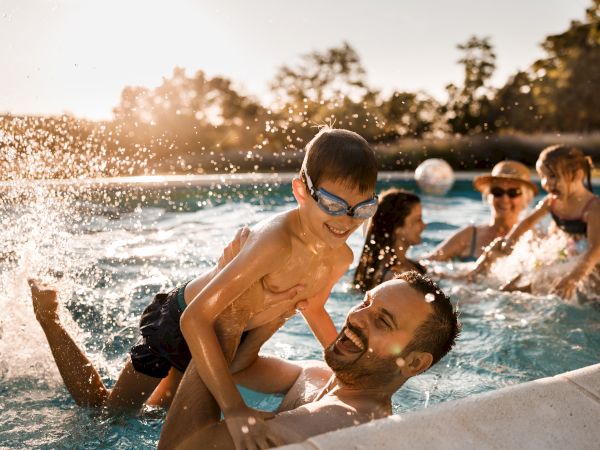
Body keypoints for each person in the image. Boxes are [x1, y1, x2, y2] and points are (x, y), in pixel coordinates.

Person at [29, 127, 379, 449]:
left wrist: (350, 371)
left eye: (362, 209)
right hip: (179, 323)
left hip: (229, 337)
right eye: (332, 205)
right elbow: (195, 319)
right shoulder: (276, 241)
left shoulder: (339, 257)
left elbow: (312, 309)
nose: (345, 221)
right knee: (109, 413)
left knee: (159, 411)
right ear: (301, 190)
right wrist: (235, 407)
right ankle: (50, 318)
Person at [159, 271, 461, 449]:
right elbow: (239, 368)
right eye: (365, 302)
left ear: (415, 364)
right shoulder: (319, 375)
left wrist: (228, 314)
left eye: (382, 321)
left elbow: (180, 448)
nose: (355, 317)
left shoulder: (341, 420)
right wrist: (278, 308)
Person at [471, 145, 600, 299]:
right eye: (542, 177)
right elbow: (527, 222)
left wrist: (573, 278)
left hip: (592, 262)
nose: (546, 183)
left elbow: (595, 250)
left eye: (553, 176)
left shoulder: (592, 209)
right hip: (574, 255)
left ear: (578, 175)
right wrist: (510, 240)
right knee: (532, 279)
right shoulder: (552, 201)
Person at [426, 160, 537, 262]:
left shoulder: (534, 239)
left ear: (526, 199)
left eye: (513, 193)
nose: (505, 199)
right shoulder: (469, 235)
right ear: (488, 196)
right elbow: (427, 263)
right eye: (497, 192)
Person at [353, 189, 426, 291]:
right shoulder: (391, 278)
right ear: (398, 228)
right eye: (418, 220)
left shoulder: (411, 265)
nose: (424, 225)